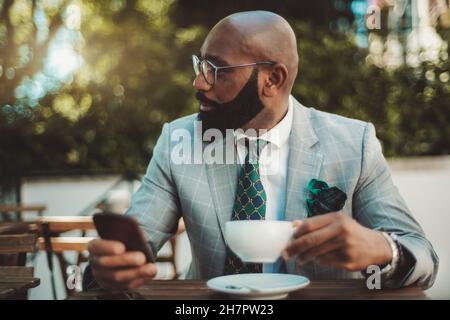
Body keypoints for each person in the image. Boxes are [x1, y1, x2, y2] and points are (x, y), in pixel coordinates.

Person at [84, 11, 438, 291]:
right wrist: (110, 268)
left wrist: (381, 250)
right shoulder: (180, 140)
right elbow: (135, 244)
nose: (199, 83)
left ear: (273, 79)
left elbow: (424, 260)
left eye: (216, 70)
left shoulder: (353, 143)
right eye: (200, 65)